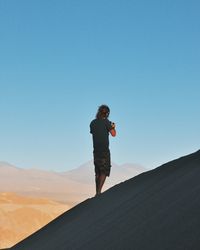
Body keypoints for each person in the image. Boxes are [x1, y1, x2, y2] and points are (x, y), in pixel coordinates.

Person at [90, 105, 116, 196]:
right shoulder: (106, 122)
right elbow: (113, 134)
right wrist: (113, 127)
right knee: (104, 171)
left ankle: (97, 191)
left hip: (96, 150)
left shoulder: (92, 123)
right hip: (104, 150)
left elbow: (94, 133)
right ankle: (99, 192)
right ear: (107, 113)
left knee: (97, 172)